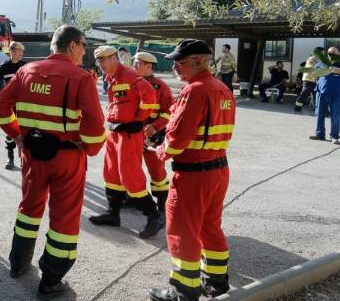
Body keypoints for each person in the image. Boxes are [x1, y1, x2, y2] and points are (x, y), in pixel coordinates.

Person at [0, 25, 106, 299]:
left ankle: (18, 263)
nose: (84, 52)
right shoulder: (80, 77)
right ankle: (51, 280)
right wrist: (90, 148)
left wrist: (17, 135)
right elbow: (94, 124)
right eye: (84, 46)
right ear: (73, 45)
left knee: (29, 207)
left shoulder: (26, 71)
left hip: (32, 155)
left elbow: (0, 106)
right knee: (64, 216)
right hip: (67, 157)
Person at [148, 39, 236, 301]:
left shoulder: (194, 91)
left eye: (179, 62)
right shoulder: (222, 88)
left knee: (183, 231)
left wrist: (158, 150)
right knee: (210, 227)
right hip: (218, 170)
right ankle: (217, 283)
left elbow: (177, 139)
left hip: (193, 174)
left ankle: (183, 291)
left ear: (198, 61)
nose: (174, 67)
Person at [88, 46, 164, 239]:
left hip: (129, 133)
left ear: (114, 58)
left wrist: (138, 118)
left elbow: (150, 97)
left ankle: (154, 215)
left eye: (104, 60)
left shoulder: (130, 75)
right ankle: (113, 214)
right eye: (99, 60)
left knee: (130, 176)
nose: (100, 64)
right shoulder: (111, 77)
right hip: (114, 131)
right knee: (111, 173)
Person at [133, 51, 173, 212]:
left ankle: (162, 203)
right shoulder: (130, 83)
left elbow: (169, 112)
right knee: (131, 169)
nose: (133, 66)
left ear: (149, 66)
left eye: (137, 63)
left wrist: (155, 127)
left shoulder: (160, 87)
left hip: (153, 135)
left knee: (156, 170)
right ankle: (133, 198)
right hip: (132, 134)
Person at [0, 42, 26, 168]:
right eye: (20, 51)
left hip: (23, 103)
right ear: (12, 51)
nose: (22, 53)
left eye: (22, 51)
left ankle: (23, 159)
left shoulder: (25, 66)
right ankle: (10, 158)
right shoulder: (4, 67)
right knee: (11, 131)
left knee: (24, 130)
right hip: (10, 104)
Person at [310, 46, 340, 144]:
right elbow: (313, 73)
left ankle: (334, 137)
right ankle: (319, 134)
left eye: (334, 52)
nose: (331, 54)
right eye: (329, 52)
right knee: (319, 114)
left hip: (335, 94)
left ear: (339, 53)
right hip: (321, 92)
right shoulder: (322, 62)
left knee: (335, 115)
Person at [294, 47, 324, 113]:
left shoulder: (317, 59)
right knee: (305, 93)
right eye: (322, 53)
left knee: (314, 93)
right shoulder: (313, 58)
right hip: (309, 79)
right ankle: (297, 107)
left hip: (313, 79)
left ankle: (317, 107)